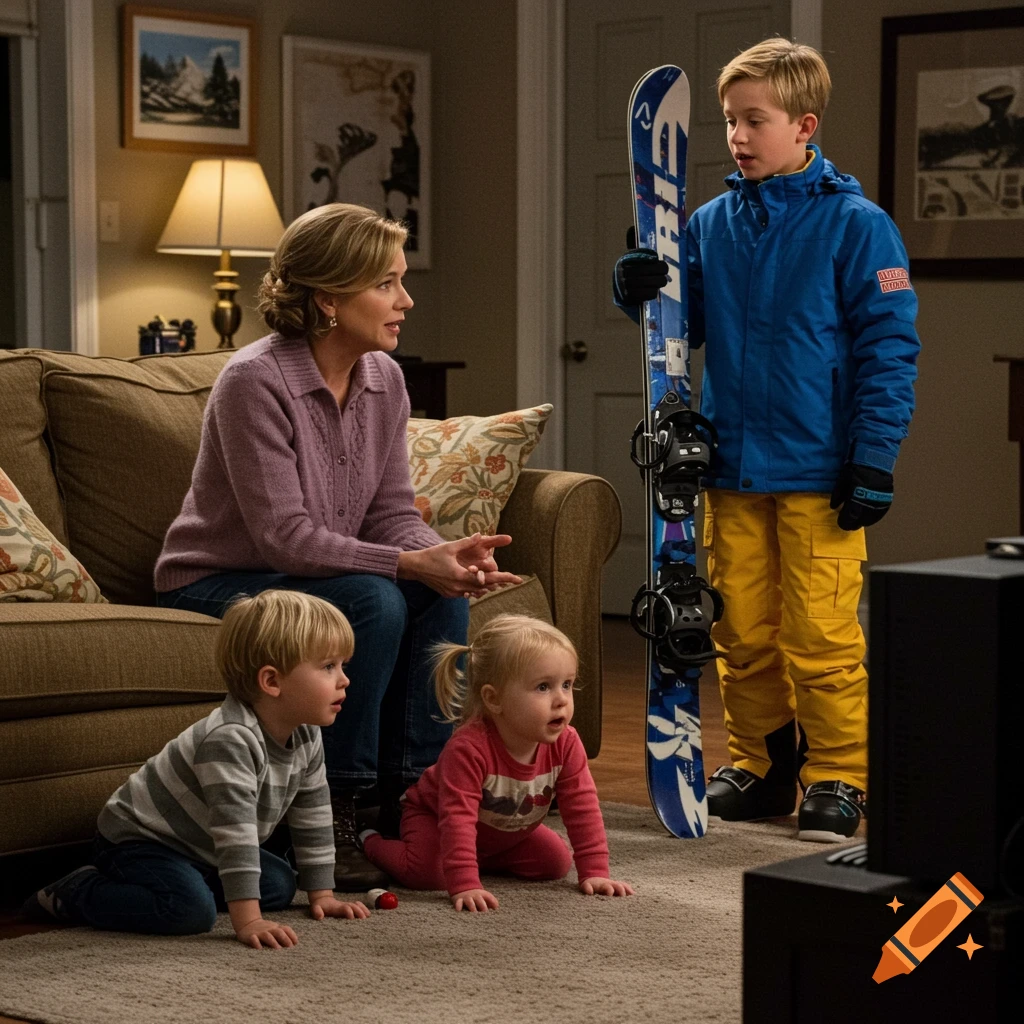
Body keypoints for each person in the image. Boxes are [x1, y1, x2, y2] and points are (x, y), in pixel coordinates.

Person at [153, 203, 522, 886]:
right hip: (214, 581)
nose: (406, 300)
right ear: (327, 298)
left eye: (401, 281)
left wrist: (444, 557)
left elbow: (389, 514)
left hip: (309, 576)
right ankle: (331, 811)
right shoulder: (254, 381)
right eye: (386, 283)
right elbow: (286, 540)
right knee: (375, 600)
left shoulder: (385, 379)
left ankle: (419, 801)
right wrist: (408, 563)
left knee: (436, 595)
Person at [612, 39, 920, 841]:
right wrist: (639, 290)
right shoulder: (710, 225)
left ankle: (839, 775)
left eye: (755, 120)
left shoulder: (858, 226)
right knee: (739, 630)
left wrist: (874, 456)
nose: (737, 137)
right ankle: (762, 765)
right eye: (728, 121)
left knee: (820, 635)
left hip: (820, 473)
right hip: (732, 470)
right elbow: (681, 329)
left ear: (804, 125)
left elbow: (890, 350)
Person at [23, 590, 373, 949]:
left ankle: (189, 881)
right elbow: (235, 835)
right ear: (271, 682)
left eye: (342, 665)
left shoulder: (306, 734)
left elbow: (313, 814)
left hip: (201, 844)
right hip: (143, 840)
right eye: (328, 667)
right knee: (189, 912)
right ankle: (78, 890)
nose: (344, 679)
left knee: (279, 885)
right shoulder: (230, 739)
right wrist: (248, 920)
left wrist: (322, 894)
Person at [359, 615, 634, 909]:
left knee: (555, 862)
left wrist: (595, 871)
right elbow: (457, 818)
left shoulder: (567, 743)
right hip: (433, 819)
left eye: (567, 685)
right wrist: (465, 882)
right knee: (429, 874)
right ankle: (369, 838)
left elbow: (582, 806)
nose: (561, 700)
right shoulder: (468, 748)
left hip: (504, 834)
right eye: (543, 687)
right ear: (494, 699)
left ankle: (478, 858)